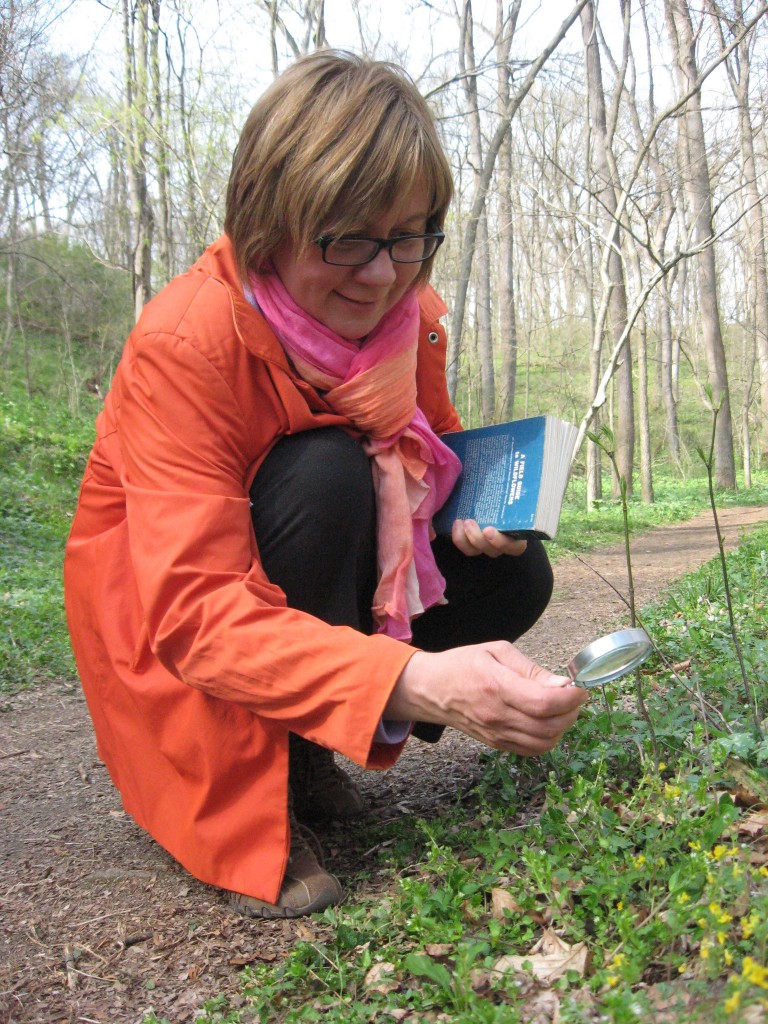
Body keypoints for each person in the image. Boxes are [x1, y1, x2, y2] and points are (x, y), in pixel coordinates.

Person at [64, 50, 587, 921]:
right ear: (271, 219)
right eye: (347, 236)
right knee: (327, 472)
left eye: (410, 234)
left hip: (315, 571)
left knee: (515, 572)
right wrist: (417, 681)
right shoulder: (185, 343)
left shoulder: (405, 316)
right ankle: (263, 771)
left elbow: (431, 451)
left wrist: (473, 514)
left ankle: (310, 741)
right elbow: (196, 614)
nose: (382, 274)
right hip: (168, 617)